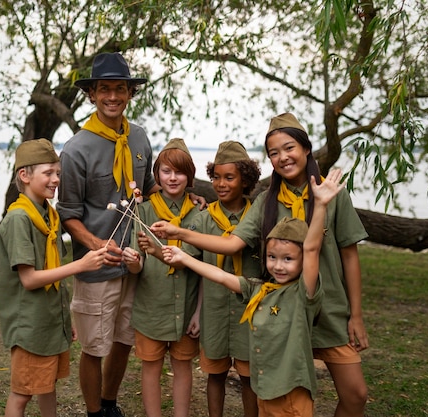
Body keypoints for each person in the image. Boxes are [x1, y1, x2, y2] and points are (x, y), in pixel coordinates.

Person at [151, 113, 369, 417]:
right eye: (274, 153)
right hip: (283, 315)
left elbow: (349, 254)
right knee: (285, 396)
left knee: (356, 395)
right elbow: (231, 244)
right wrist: (180, 233)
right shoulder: (266, 202)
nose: (283, 157)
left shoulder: (331, 194)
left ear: (306, 149)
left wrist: (355, 315)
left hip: (328, 310)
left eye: (289, 148)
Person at [162, 168, 346, 416]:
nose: (278, 265)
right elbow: (221, 276)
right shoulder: (260, 290)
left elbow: (312, 249)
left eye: (288, 259)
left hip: (292, 394)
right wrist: (184, 257)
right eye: (272, 257)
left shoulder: (304, 292)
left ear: (303, 262)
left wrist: (321, 205)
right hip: (265, 391)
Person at [56, 52, 159, 417]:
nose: (112, 96)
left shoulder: (141, 138)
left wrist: (187, 197)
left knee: (124, 339)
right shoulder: (76, 149)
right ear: (92, 95)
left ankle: (110, 403)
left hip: (135, 263)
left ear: (130, 93)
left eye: (120, 89)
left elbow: (149, 192)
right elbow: (68, 214)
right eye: (105, 90)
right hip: (96, 267)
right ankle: (93, 412)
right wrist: (98, 245)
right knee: (94, 346)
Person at [0, 139, 107, 417]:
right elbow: (30, 279)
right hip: (30, 325)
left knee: (47, 386)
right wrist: (81, 265)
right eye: (48, 173)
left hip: (49, 320)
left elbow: (52, 271)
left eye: (58, 173)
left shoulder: (49, 215)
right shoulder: (19, 219)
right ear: (25, 175)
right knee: (22, 394)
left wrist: (62, 319)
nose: (56, 179)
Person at [121, 138, 202, 417]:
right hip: (151, 308)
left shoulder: (199, 213)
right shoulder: (143, 210)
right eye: (166, 171)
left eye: (179, 172)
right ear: (156, 174)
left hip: (187, 307)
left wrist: (199, 313)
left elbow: (195, 265)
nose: (173, 177)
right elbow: (138, 265)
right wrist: (131, 261)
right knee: (151, 367)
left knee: (183, 366)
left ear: (190, 176)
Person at [184, 141, 262, 417]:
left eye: (229, 177)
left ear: (246, 180)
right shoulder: (204, 219)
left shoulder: (259, 216)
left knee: (249, 377)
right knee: (214, 375)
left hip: (250, 311)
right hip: (214, 311)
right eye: (216, 177)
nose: (220, 183)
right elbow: (187, 259)